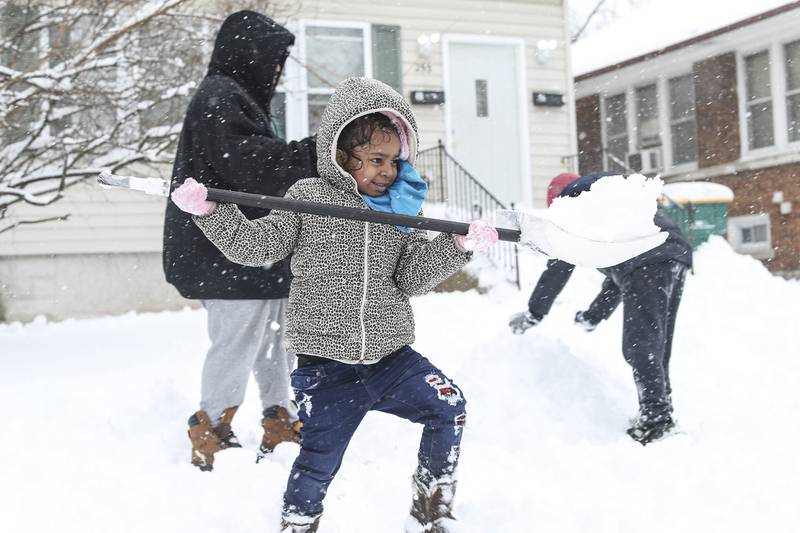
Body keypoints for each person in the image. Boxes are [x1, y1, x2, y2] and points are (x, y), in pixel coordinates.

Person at [170, 77, 498, 532]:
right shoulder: (309, 197)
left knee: (449, 406)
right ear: (343, 156)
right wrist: (211, 212)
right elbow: (256, 246)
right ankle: (298, 522)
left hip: (390, 358)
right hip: (325, 368)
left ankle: (431, 504)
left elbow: (412, 277)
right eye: (376, 161)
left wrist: (458, 246)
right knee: (318, 462)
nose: (387, 171)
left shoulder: (400, 209)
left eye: (394, 160)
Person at [162, 11, 318, 471]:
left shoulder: (238, 99)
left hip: (254, 251)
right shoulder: (220, 97)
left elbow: (256, 169)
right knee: (238, 341)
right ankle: (210, 428)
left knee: (276, 340)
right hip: (221, 250)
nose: (277, 71)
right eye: (272, 60)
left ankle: (280, 418)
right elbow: (251, 165)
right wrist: (314, 152)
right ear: (248, 53)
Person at [509, 172, 692, 445]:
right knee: (656, 344)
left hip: (650, 259)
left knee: (640, 345)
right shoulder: (603, 203)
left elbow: (559, 265)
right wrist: (592, 316)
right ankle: (659, 412)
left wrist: (534, 313)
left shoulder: (576, 200)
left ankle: (658, 420)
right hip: (672, 253)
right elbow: (620, 279)